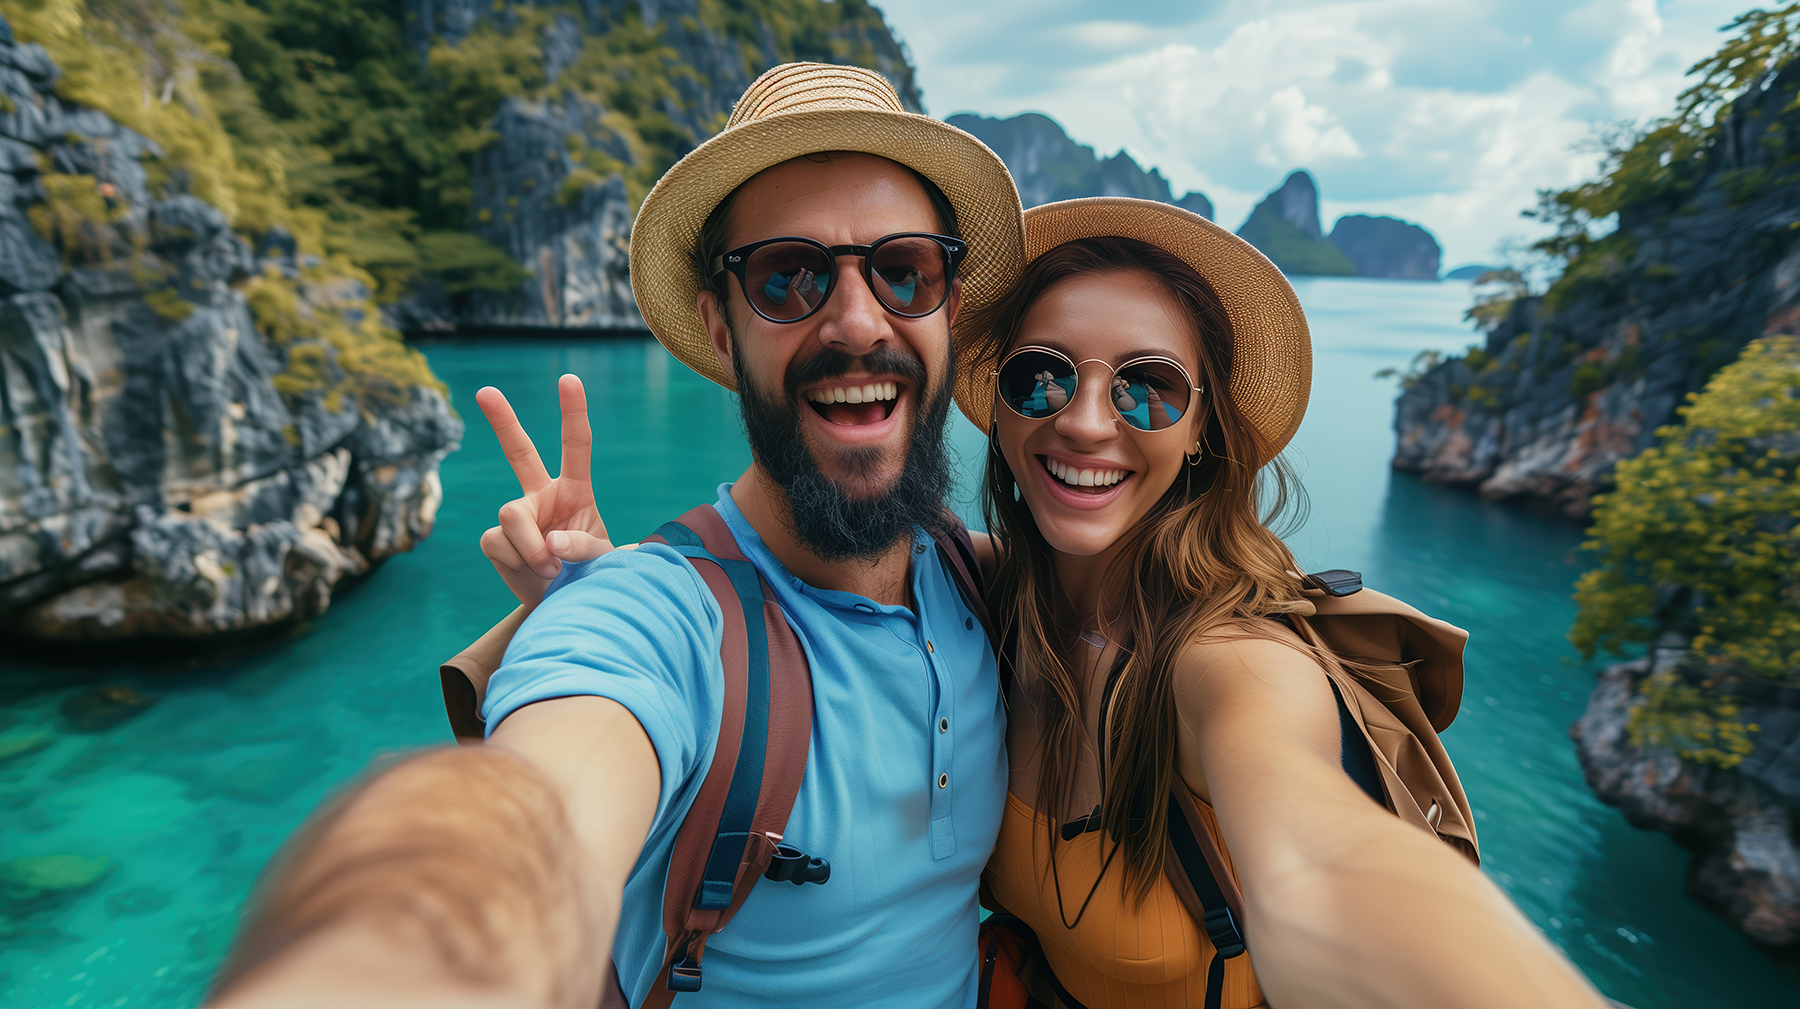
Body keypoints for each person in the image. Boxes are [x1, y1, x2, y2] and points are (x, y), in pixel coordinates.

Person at [453, 201, 1613, 1009]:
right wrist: (577, 599)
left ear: (1206, 429)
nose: (1088, 422)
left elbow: (1322, 863)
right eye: (1042, 376)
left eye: (1148, 388)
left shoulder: (1230, 661)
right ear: (997, 407)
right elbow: (545, 808)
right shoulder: (981, 589)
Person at [205, 62, 1027, 1009]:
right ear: (721, 326)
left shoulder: (983, 583)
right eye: (787, 277)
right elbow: (527, 825)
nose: (855, 318)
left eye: (904, 271)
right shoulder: (649, 617)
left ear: (950, 308)